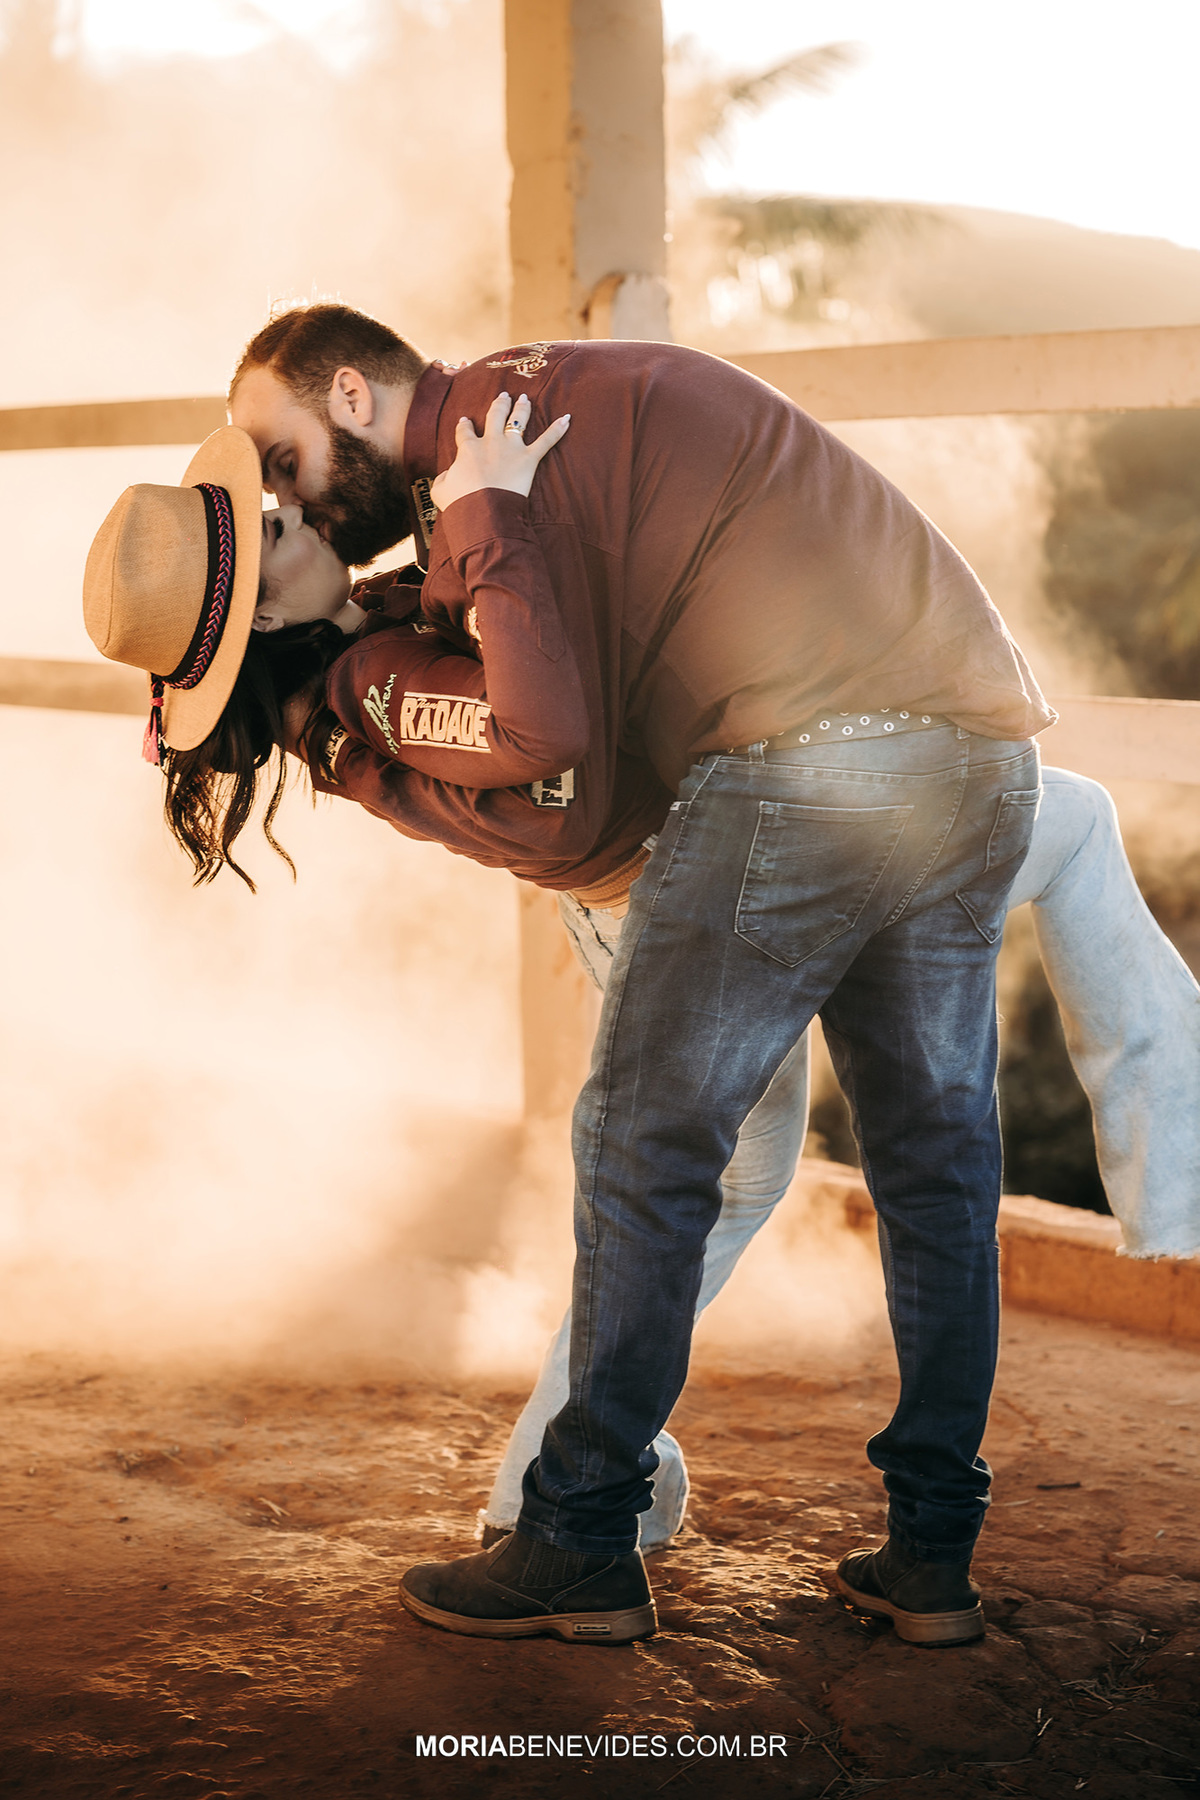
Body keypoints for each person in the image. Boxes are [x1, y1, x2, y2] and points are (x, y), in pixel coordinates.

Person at [91, 333, 1197, 1649]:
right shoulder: (520, 431)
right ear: (267, 618)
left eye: (283, 472)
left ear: (352, 397)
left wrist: (477, 523)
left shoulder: (483, 492)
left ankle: (573, 1538)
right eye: (272, 516)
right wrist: (468, 534)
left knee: (643, 1161)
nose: (294, 503)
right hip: (969, 743)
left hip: (807, 775)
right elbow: (506, 688)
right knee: (936, 1172)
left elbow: (539, 728)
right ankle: (931, 1556)